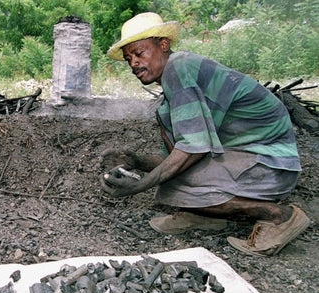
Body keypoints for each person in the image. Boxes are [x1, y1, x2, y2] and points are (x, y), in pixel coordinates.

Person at [99, 12, 310, 256]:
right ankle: (205, 215)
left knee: (173, 181)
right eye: (128, 59)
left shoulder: (179, 67)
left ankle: (279, 216)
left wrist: (139, 185)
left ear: (163, 45)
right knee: (171, 180)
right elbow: (171, 158)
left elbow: (191, 151)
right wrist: (133, 160)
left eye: (139, 53)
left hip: (271, 163)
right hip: (248, 158)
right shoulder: (168, 102)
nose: (133, 63)